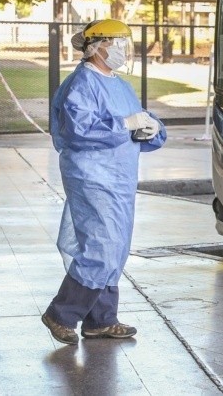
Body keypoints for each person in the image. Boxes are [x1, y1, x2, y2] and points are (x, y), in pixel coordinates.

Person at [41, 19, 167, 344]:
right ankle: (61, 314)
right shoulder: (81, 84)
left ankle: (100, 320)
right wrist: (124, 124)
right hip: (92, 176)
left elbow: (138, 123)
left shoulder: (120, 85)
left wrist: (152, 129)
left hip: (121, 179)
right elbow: (78, 130)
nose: (123, 50)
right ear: (96, 47)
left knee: (116, 247)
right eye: (116, 43)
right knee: (103, 246)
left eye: (125, 43)